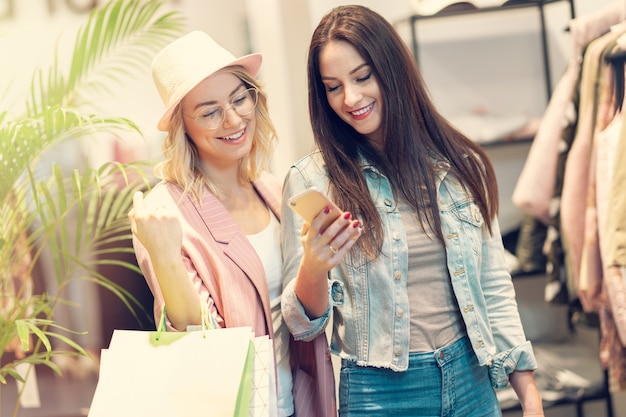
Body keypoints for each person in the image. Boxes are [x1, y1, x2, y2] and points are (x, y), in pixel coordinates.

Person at [280, 5, 544, 417]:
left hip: (471, 381)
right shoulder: (313, 179)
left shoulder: (459, 164)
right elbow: (302, 324)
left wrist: (529, 396)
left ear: (392, 69)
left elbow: (492, 285)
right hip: (380, 395)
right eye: (333, 87)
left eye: (363, 76)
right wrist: (314, 265)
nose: (350, 98)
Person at [128, 31, 335, 417]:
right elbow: (193, 335)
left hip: (299, 401)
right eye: (209, 111)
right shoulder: (165, 211)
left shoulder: (272, 190)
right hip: (236, 407)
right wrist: (165, 256)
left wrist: (318, 262)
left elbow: (300, 310)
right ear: (181, 126)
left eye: (240, 99)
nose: (234, 119)